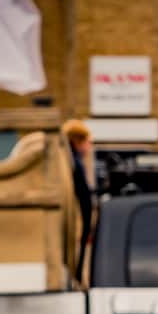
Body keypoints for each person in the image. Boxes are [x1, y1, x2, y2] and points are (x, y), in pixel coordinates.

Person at [62, 118, 96, 278]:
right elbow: (83, 197)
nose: (89, 147)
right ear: (78, 141)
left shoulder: (68, 161)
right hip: (76, 226)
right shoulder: (74, 163)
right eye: (88, 142)